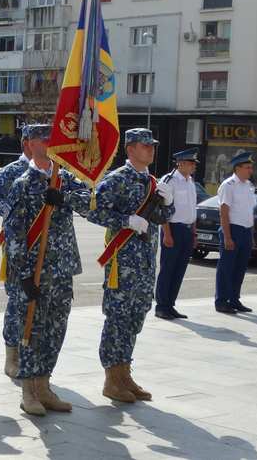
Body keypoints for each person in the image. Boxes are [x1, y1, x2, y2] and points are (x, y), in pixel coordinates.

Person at [2, 124, 91, 415]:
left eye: (52, 138)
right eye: (43, 139)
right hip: (36, 270)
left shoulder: (65, 178)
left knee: (56, 329)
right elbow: (14, 233)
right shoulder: (23, 183)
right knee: (32, 330)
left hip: (62, 268)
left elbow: (90, 204)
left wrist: (64, 197)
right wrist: (23, 274)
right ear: (30, 144)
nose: (49, 143)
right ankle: (28, 391)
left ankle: (44, 385)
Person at [87, 128, 174, 403]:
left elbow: (160, 218)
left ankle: (125, 374)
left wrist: (168, 203)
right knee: (118, 319)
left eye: (152, 146)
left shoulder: (152, 182)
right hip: (122, 263)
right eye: (145, 146)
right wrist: (126, 221)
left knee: (136, 317)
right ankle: (111, 379)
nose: (151, 150)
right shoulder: (117, 179)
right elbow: (94, 210)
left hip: (145, 263)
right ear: (131, 149)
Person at [0, 125, 36, 379]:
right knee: (17, 300)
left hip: (44, 247)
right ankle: (11, 356)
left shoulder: (51, 171)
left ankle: (32, 355)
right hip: (18, 244)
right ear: (27, 144)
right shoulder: (14, 170)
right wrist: (14, 213)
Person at [154, 148, 200, 320]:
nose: (194, 166)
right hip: (173, 229)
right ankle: (161, 306)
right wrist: (167, 234)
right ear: (181, 163)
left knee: (179, 269)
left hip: (187, 230)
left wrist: (194, 233)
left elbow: (192, 209)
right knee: (168, 269)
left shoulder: (190, 182)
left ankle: (170, 304)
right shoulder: (169, 180)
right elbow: (162, 208)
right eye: (191, 163)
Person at [214, 152, 256, 314]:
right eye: (247, 167)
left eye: (251, 167)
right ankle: (221, 301)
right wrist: (227, 236)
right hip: (232, 229)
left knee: (240, 268)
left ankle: (234, 299)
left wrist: (251, 234)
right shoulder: (228, 185)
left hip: (246, 230)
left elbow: (249, 212)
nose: (250, 170)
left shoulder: (249, 186)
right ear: (237, 168)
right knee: (226, 267)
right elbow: (224, 212)